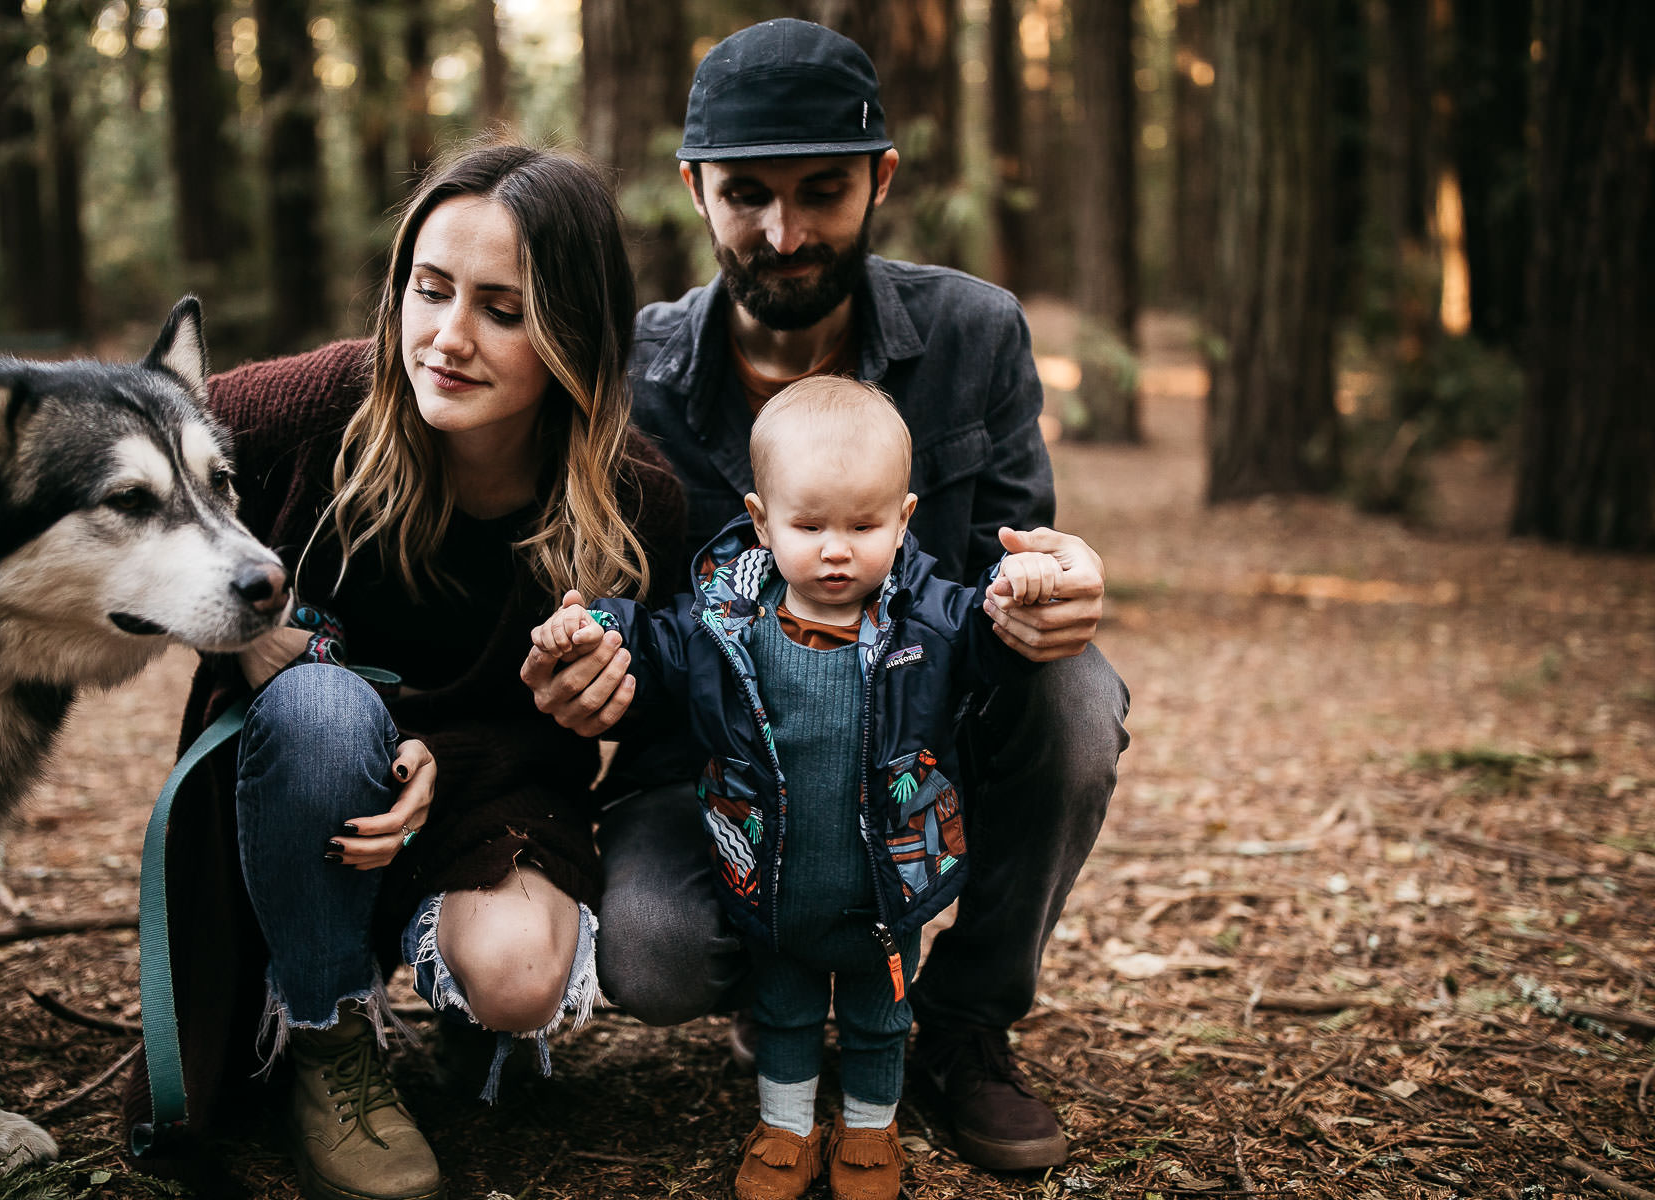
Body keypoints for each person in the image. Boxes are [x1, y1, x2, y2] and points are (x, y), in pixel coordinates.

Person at [519, 19, 1131, 1173]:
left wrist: (1053, 589)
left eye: (823, 191)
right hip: (714, 768)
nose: (784, 232)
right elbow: (604, 599)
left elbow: (1013, 560)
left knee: (1077, 698)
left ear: (881, 180)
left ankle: (961, 1031)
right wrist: (587, 655)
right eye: (746, 193)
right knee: (648, 956)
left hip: (916, 740)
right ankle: (793, 970)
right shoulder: (630, 375)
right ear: (694, 187)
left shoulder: (972, 334)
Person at [123, 143, 686, 1200]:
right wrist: (242, 633)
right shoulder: (321, 405)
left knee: (518, 974)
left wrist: (611, 688)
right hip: (304, 765)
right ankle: (328, 1042)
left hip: (497, 782)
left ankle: (464, 1017)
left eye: (502, 310)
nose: (448, 338)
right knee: (332, 715)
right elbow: (134, 446)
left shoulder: (633, 498)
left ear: (573, 330)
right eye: (429, 291)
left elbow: (637, 712)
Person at [533, 378, 1064, 1200]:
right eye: (809, 526)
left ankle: (867, 1131)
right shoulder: (726, 623)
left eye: (864, 525)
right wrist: (596, 625)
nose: (837, 549)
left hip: (884, 881)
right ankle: (784, 1130)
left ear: (905, 519)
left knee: (878, 1014)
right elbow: (655, 640)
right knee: (782, 1007)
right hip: (771, 882)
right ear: (760, 519)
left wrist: (1019, 590)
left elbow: (992, 652)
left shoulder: (929, 619)